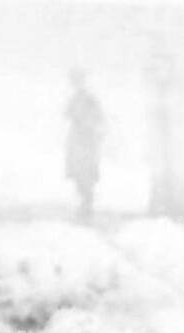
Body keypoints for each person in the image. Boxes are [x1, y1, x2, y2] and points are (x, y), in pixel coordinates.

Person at [65, 69, 106, 222]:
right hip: (79, 140)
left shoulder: (89, 100)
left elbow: (99, 117)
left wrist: (89, 125)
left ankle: (87, 202)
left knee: (85, 172)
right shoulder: (75, 99)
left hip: (86, 140)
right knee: (79, 172)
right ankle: (85, 201)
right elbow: (67, 114)